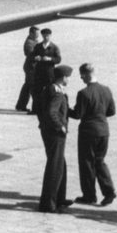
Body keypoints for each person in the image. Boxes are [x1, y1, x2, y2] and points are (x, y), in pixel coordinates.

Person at [71, 63, 117, 206]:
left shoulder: (84, 93)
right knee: (100, 161)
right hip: (104, 131)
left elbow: (78, 114)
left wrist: (65, 108)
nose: (81, 78)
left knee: (86, 163)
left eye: (81, 75)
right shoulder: (106, 90)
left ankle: (89, 195)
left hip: (88, 132)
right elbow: (112, 111)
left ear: (86, 74)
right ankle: (109, 191)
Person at [37, 64, 74, 213]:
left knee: (60, 164)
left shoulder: (49, 89)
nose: (68, 80)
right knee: (55, 167)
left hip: (48, 131)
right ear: (63, 77)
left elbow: (40, 109)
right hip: (55, 134)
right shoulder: (57, 93)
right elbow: (52, 112)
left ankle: (60, 197)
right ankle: (48, 203)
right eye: (68, 77)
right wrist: (61, 126)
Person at [29, 28, 61, 113]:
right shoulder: (38, 46)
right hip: (39, 71)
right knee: (37, 91)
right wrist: (36, 58)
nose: (46, 37)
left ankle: (49, 109)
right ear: (42, 36)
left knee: (50, 91)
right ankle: (35, 109)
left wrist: (50, 59)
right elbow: (31, 56)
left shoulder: (54, 47)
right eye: (44, 35)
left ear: (50, 36)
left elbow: (58, 59)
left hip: (49, 72)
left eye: (48, 35)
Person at [16, 26, 40, 112]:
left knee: (27, 87)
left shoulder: (34, 40)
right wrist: (38, 57)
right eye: (36, 34)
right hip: (31, 68)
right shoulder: (29, 43)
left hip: (31, 67)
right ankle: (35, 107)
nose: (38, 36)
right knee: (32, 87)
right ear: (31, 33)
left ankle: (20, 105)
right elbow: (30, 54)